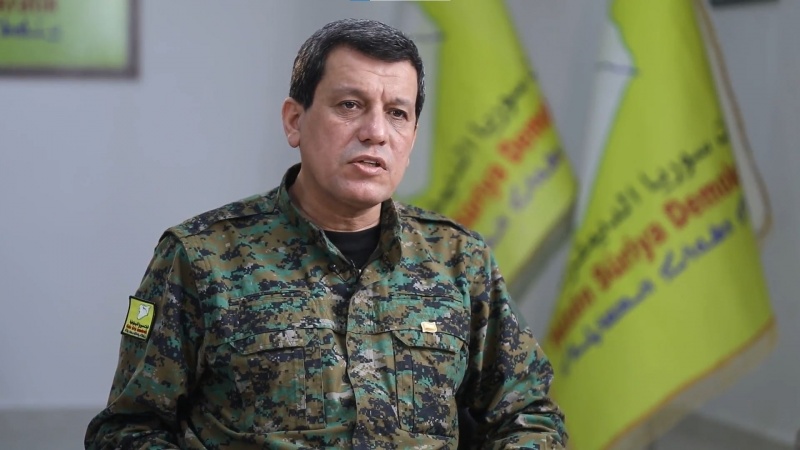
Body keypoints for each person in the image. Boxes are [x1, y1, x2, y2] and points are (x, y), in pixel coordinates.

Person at [85, 18, 568, 450]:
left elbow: (529, 417)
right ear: (295, 121)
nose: (376, 132)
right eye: (350, 105)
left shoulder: (460, 259)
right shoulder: (199, 257)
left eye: (397, 113)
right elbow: (126, 431)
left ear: (412, 137)